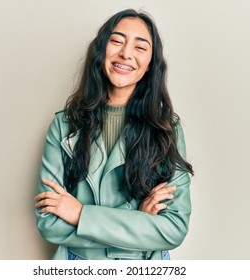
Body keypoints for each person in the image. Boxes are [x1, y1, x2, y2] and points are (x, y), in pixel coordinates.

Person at [34, 9, 194, 260]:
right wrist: (139, 224)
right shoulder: (64, 124)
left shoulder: (167, 129)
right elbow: (49, 224)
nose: (126, 53)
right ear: (101, 50)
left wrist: (79, 215)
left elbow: (173, 229)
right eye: (117, 41)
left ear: (151, 64)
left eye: (140, 47)